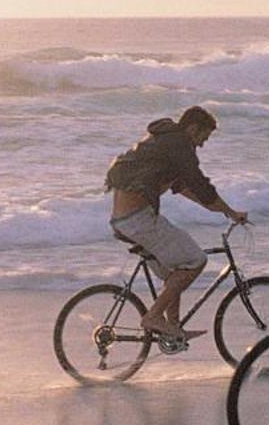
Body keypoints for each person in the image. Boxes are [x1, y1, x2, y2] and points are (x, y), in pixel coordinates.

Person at [105, 105, 248, 341]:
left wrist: (228, 212)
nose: (202, 143)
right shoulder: (179, 145)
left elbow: (185, 187)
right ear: (193, 128)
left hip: (126, 220)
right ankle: (153, 317)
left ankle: (173, 329)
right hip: (137, 220)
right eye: (204, 136)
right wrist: (230, 211)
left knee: (176, 270)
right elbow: (200, 185)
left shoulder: (166, 142)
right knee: (195, 261)